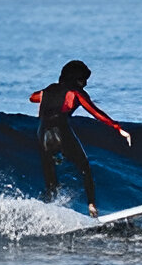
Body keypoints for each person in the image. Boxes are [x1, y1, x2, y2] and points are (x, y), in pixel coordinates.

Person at [30, 60, 132, 217]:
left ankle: (47, 214)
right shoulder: (76, 93)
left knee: (51, 182)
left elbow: (33, 97)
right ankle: (92, 206)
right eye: (83, 79)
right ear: (76, 78)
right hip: (61, 130)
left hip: (42, 133)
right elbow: (96, 113)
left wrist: (48, 95)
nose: (85, 84)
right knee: (84, 168)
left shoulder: (48, 90)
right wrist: (117, 128)